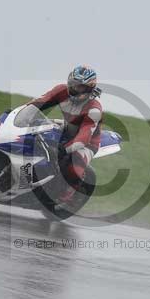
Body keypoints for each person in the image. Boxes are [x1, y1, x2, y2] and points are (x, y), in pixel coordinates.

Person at [28, 65, 103, 203]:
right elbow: (40, 102)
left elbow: (84, 137)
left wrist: (64, 149)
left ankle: (65, 196)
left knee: (73, 167)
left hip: (87, 143)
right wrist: (22, 111)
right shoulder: (61, 91)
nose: (74, 89)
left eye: (79, 87)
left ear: (89, 88)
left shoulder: (94, 109)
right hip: (67, 129)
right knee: (34, 132)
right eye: (73, 84)